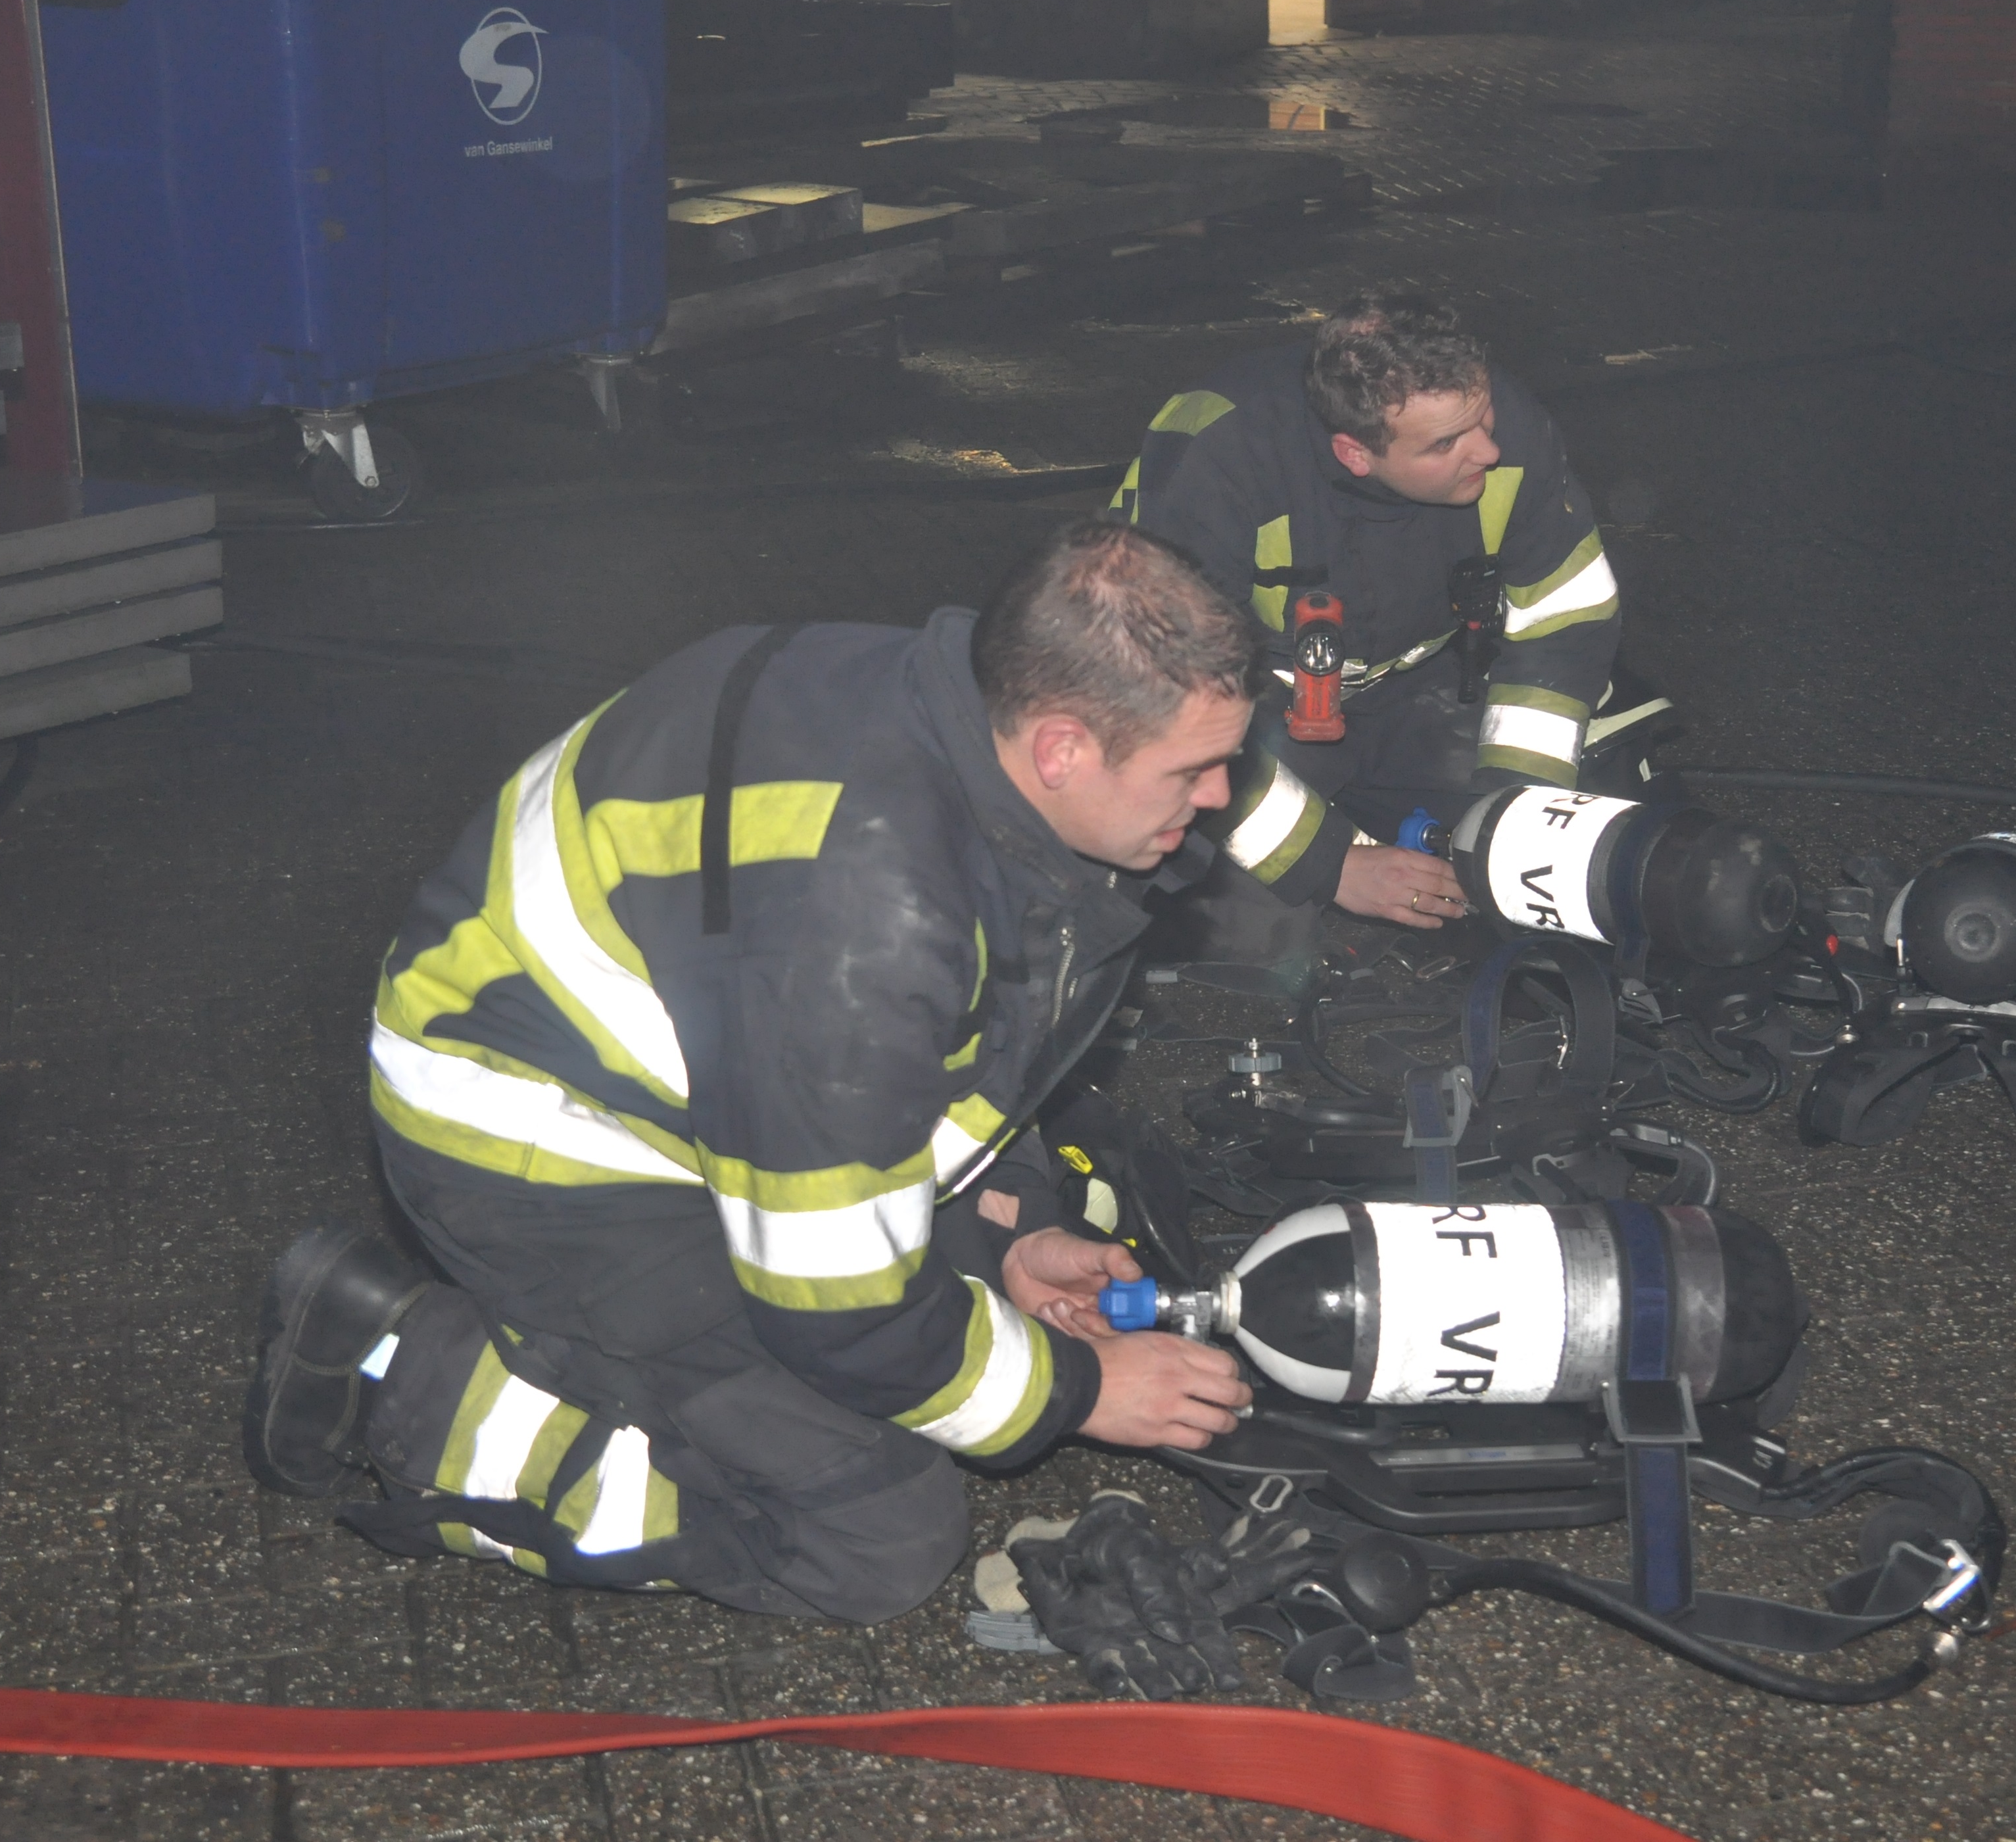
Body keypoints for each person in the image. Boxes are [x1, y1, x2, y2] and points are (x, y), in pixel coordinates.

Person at [244, 520, 1257, 1623]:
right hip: (531, 1154)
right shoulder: (864, 922)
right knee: (873, 1534)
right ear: (1061, 748)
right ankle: (401, 1374)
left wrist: (1002, 1230)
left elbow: (948, 1055)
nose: (1218, 796)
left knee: (903, 1339)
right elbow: (838, 1300)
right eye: (1191, 770)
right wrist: (1076, 1390)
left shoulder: (949, 709)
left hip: (680, 1081)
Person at [1113, 289, 1660, 957]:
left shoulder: (1499, 423)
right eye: (1447, 444)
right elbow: (1163, 702)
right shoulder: (1222, 454)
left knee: (1588, 851)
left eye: (1482, 417)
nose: (1489, 451)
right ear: (1354, 453)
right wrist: (1332, 864)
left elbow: (1566, 621)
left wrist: (1518, 807)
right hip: (1247, 715)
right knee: (1240, 920)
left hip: (1418, 691)